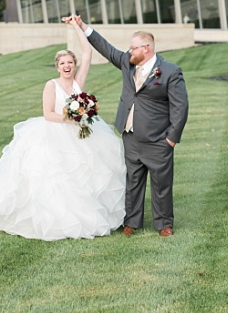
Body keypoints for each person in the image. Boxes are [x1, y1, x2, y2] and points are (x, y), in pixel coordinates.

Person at [0, 44, 126, 241]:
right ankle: (59, 219)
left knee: (86, 174)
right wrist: (72, 119)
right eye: (62, 63)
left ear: (75, 65)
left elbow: (88, 52)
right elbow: (48, 114)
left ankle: (88, 214)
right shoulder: (52, 85)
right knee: (56, 177)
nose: (66, 66)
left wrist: (77, 25)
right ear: (57, 67)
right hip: (55, 133)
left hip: (79, 134)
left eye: (70, 62)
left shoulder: (78, 83)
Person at [68, 15, 188, 237]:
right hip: (130, 135)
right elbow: (106, 48)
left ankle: (164, 224)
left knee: (161, 184)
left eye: (133, 48)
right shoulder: (127, 63)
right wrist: (83, 26)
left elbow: (180, 107)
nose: (128, 51)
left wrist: (171, 138)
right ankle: (132, 222)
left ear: (146, 48)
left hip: (158, 138)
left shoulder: (170, 71)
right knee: (133, 181)